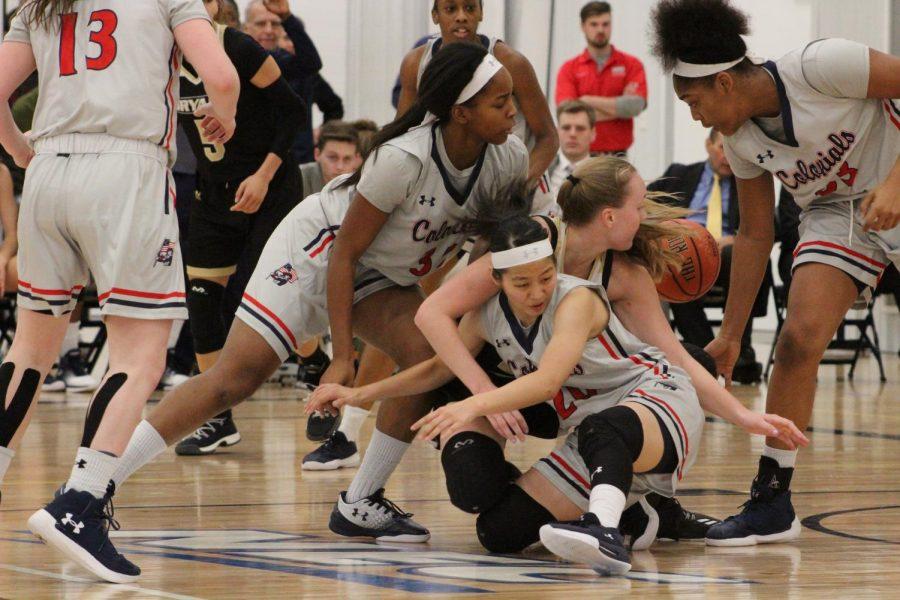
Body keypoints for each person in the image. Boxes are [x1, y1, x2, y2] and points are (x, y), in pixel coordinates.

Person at [107, 42, 528, 543]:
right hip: (316, 253)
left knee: (426, 358)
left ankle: (360, 500)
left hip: (380, 274)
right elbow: (344, 254)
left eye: (513, 99)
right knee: (235, 380)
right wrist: (342, 357)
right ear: (461, 113)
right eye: (500, 102)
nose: (512, 110)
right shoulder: (402, 159)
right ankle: (95, 484)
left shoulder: (507, 158)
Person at [308, 211, 806, 575]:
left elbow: (546, 383)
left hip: (655, 398)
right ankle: (641, 516)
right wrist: (359, 394)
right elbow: (438, 368)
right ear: (497, 281)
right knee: (498, 533)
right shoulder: (486, 315)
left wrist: (746, 418)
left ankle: (604, 532)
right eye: (522, 283)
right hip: (590, 431)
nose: (537, 291)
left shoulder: (578, 300)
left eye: (545, 276)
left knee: (602, 425)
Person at [409, 155, 804, 543]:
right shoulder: (532, 243)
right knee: (474, 491)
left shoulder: (624, 274)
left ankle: (637, 505)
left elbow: (677, 358)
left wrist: (744, 416)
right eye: (638, 206)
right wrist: (482, 393)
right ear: (610, 217)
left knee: (691, 360)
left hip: (554, 392)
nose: (644, 216)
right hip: (497, 384)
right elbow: (431, 313)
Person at [0, 0, 239, 583]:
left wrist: (18, 150)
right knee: (140, 356)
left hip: (50, 171)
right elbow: (223, 76)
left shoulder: (38, 2)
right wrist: (224, 114)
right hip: (126, 171)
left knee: (29, 351)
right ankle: (79, 504)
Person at [650, 0, 900, 546]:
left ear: (723, 83)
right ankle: (773, 498)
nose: (695, 117)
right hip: (840, 213)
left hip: (898, 176)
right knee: (795, 340)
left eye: (693, 102)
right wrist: (732, 335)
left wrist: (897, 183)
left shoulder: (820, 65)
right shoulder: (741, 139)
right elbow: (758, 234)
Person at [172, 0, 306, 456]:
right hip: (213, 192)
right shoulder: (161, 56)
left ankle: (318, 365)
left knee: (264, 290)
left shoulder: (239, 47)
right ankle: (217, 417)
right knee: (203, 299)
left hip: (268, 183)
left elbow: (292, 110)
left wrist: (264, 175)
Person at [649, 128, 770, 383]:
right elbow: (645, 204)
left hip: (728, 253)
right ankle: (704, 351)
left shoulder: (749, 181)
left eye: (732, 150)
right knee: (676, 261)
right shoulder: (680, 174)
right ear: (708, 146)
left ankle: (738, 347)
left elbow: (773, 226)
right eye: (721, 148)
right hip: (685, 250)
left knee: (740, 255)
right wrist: (673, 231)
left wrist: (738, 238)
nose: (727, 156)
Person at [396, 0, 558, 187]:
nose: (461, 17)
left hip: (514, 180)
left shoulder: (511, 62)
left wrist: (519, 187)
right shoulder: (415, 63)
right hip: (450, 180)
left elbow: (548, 137)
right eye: (450, 9)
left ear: (481, 13)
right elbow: (403, 133)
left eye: (470, 8)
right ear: (435, 15)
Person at [555, 1, 648, 157]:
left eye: (605, 24)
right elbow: (567, 112)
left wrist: (586, 100)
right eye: (594, 24)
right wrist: (619, 109)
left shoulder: (631, 64)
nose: (600, 29)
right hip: (582, 157)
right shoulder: (569, 68)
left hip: (618, 157)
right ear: (583, 26)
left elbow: (635, 106)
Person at [244, 0, 323, 165]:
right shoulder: (234, 57)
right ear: (246, 28)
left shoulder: (281, 61)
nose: (268, 30)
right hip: (246, 156)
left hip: (284, 157)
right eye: (260, 24)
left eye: (275, 24)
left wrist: (287, 17)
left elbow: (312, 63)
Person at [532, 100, 596, 215]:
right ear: (557, 132)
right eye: (566, 128)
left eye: (580, 128)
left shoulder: (603, 175)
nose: (572, 134)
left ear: (593, 133)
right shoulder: (540, 169)